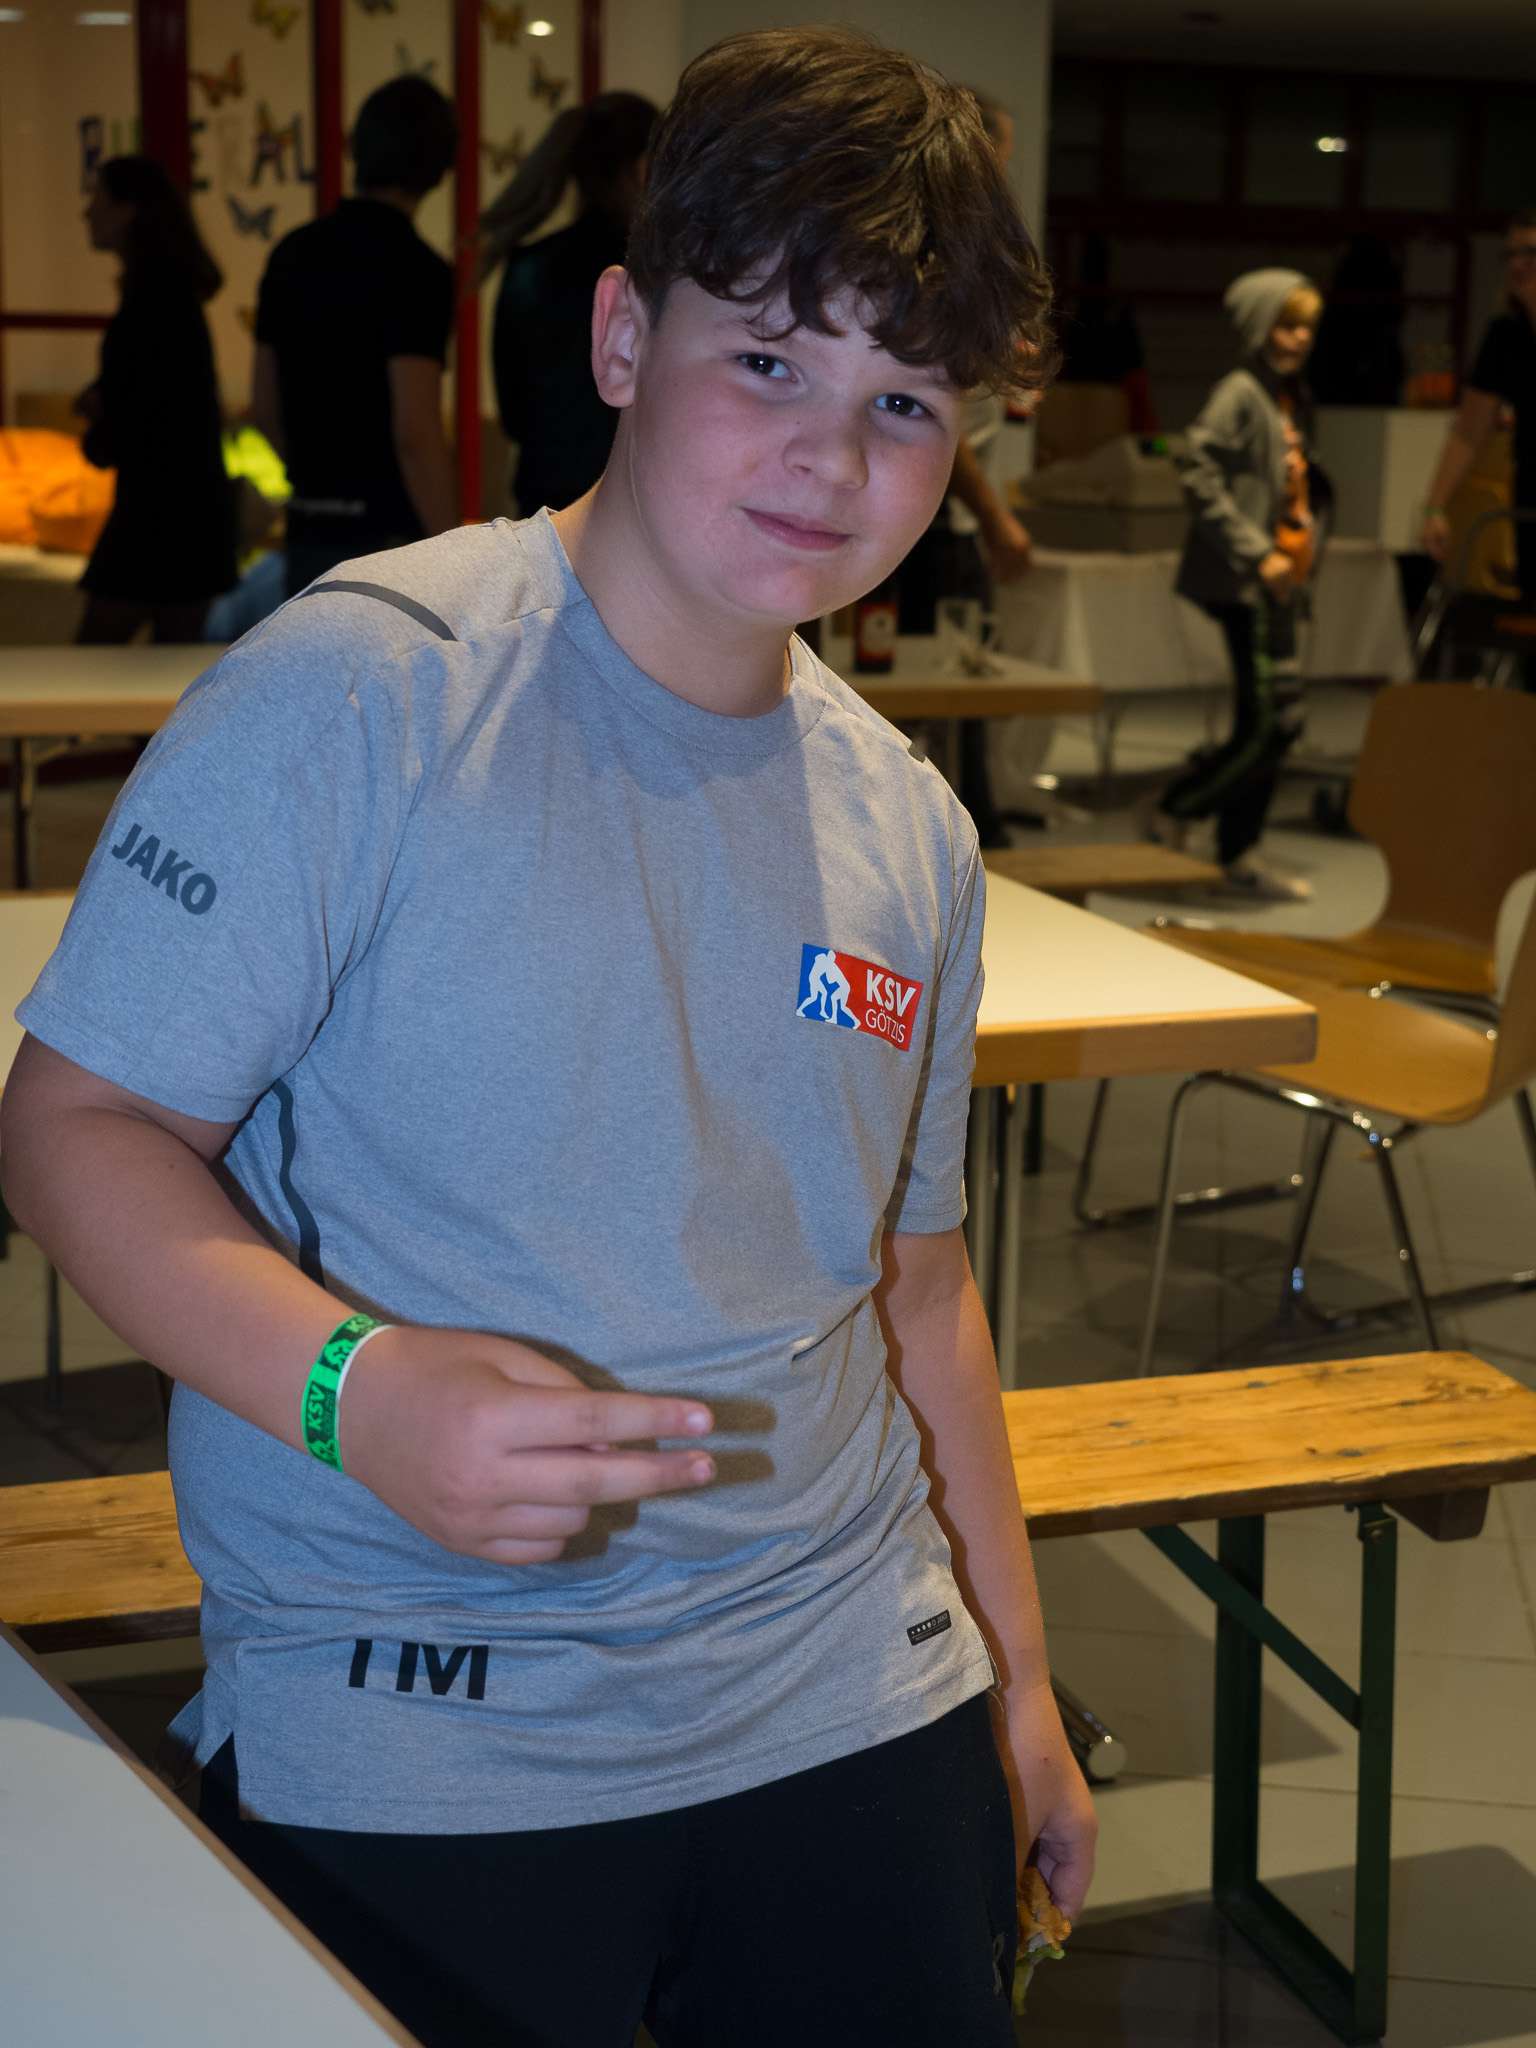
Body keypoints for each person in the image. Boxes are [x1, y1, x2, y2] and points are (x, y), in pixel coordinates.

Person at [2, 28, 1095, 2048]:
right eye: (765, 358)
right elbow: (75, 1121)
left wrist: (1015, 1682)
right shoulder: (362, 693)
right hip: (417, 1699)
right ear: (618, 337)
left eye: (903, 401)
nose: (830, 456)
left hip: (847, 1667)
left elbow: (918, 1283)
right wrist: (352, 1388)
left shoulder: (908, 824)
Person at [1147, 268, 1325, 902]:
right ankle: (1175, 810)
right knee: (1270, 724)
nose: (1300, 338)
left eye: (1308, 326)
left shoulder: (1285, 395)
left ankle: (1238, 853)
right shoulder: (1241, 392)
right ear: (1258, 326)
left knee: (1279, 720)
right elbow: (1196, 468)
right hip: (1249, 584)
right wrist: (1255, 553)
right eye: (1287, 324)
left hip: (1278, 584)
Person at [893, 87, 1036, 847]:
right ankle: (969, 838)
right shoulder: (930, 261)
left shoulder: (971, 255)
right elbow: (939, 427)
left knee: (953, 687)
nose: (1001, 177)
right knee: (944, 683)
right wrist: (997, 519)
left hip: (941, 515)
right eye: (997, 159)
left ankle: (967, 835)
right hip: (935, 524)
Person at [252, 76, 458, 597]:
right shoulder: (417, 270)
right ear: (439, 167)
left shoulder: (291, 254)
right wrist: (458, 556)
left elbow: (265, 411)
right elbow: (415, 432)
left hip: (309, 529)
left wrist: (319, 486)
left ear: (355, 148)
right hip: (387, 541)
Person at [75, 157, 237, 643]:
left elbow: (139, 420)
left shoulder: (149, 303)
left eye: (98, 197)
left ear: (129, 209)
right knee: (171, 675)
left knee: (86, 668)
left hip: (154, 518)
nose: (87, 211)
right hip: (192, 518)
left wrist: (99, 418)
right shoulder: (174, 297)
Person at [482, 91, 658, 516]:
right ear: (642, 167)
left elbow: (514, 414)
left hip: (542, 508)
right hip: (631, 504)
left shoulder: (529, 266)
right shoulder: (659, 269)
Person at [1422, 206, 1536, 613]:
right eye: (1511, 254)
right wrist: (1435, 506)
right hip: (1530, 495)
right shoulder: (1506, 335)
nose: (1518, 264)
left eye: (1531, 252)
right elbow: (1469, 431)